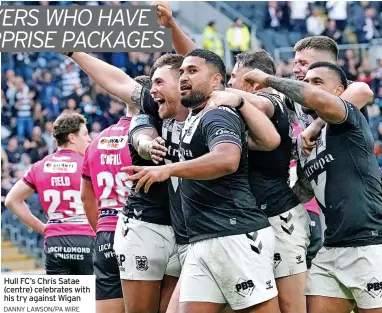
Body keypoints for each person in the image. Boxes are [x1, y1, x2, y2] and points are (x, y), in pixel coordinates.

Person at [123, 49, 281, 313]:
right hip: (203, 238)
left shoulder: (218, 114)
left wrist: (169, 170)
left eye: (193, 71)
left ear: (216, 80)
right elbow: (270, 140)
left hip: (235, 235)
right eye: (182, 71)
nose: (184, 76)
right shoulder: (193, 117)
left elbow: (227, 159)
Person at [244, 63, 382, 313]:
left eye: (317, 81)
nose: (309, 85)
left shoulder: (347, 119)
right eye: (307, 80)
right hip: (332, 248)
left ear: (339, 90)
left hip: (370, 243)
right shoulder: (308, 144)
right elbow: (306, 190)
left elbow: (315, 98)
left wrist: (267, 79)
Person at [222, 50, 310, 313]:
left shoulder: (268, 98)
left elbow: (261, 105)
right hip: (252, 219)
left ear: (252, 81)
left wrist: (226, 97)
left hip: (279, 217)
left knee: (290, 306)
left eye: (234, 77)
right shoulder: (243, 107)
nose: (228, 83)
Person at [80, 77, 149, 313]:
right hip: (142, 231)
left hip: (106, 232)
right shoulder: (150, 139)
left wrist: (100, 229)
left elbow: (85, 197)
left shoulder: (97, 140)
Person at [5, 113, 94, 275]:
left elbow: (11, 200)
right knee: (91, 298)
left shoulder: (39, 166)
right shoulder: (88, 164)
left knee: (61, 299)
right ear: (72, 138)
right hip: (85, 237)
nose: (89, 139)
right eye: (85, 134)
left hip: (54, 241)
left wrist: (43, 228)